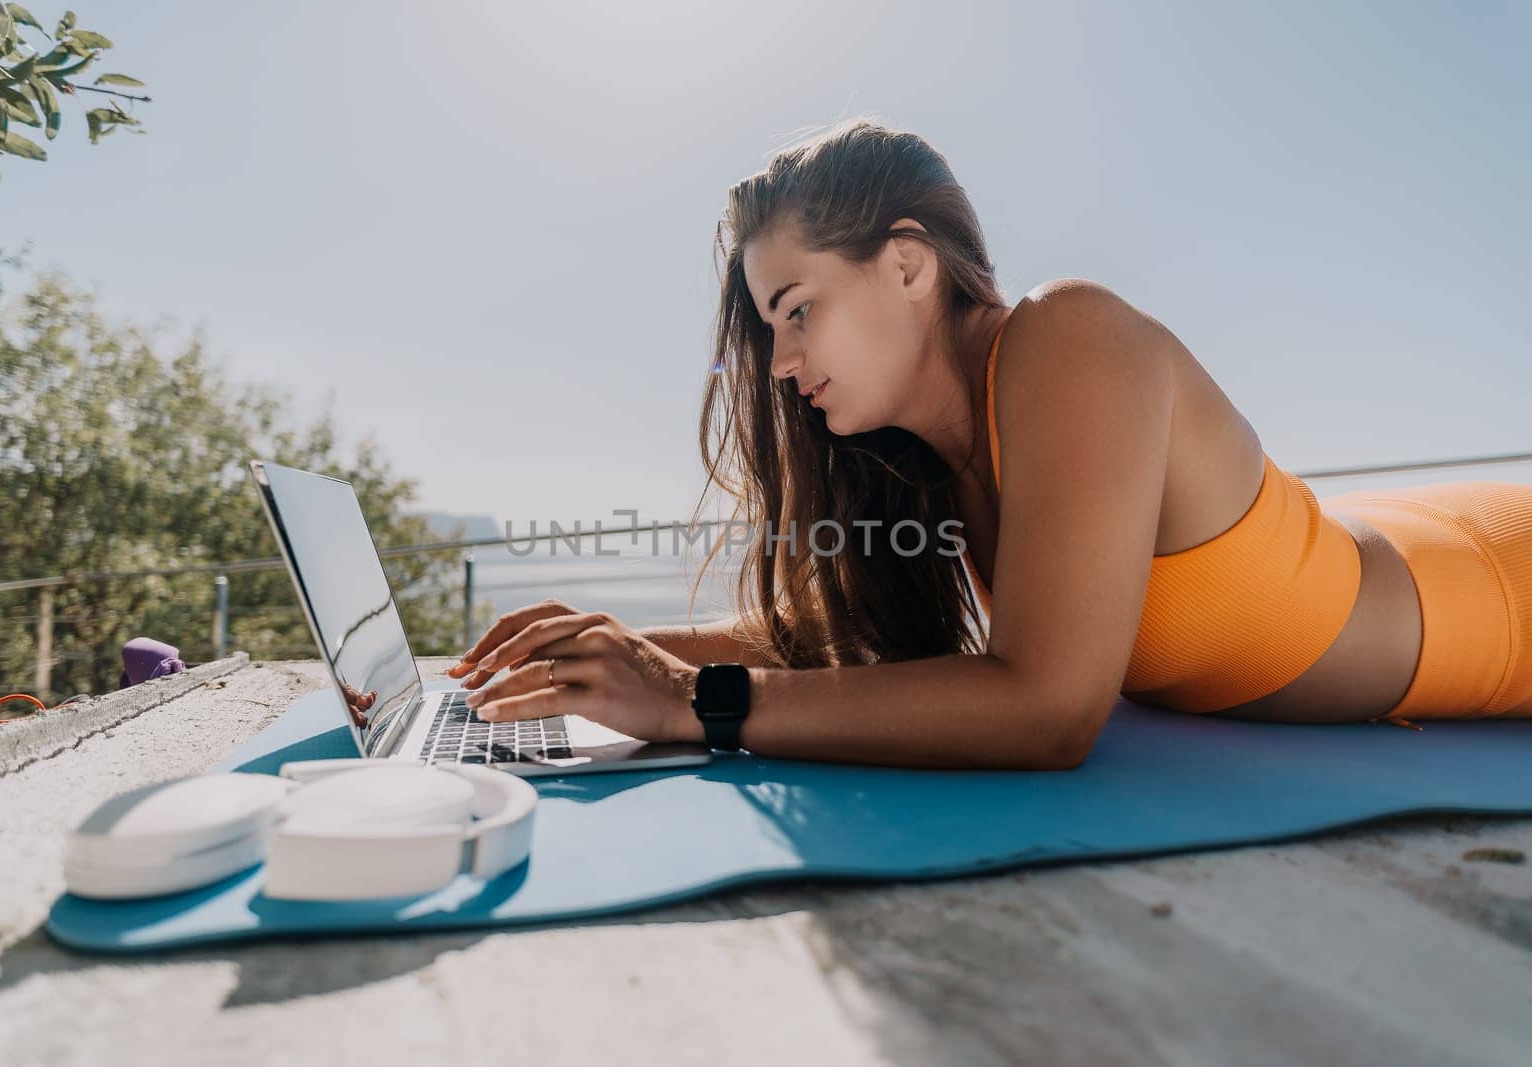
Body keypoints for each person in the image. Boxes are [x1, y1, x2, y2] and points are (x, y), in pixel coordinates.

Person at [445, 118, 1532, 770]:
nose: (778, 364)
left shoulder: (1070, 337)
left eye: (795, 309)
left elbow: (1049, 707)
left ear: (907, 265)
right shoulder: (924, 459)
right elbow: (820, 635)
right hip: (1383, 541)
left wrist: (695, 705)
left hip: (1498, 588)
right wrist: (610, 655)